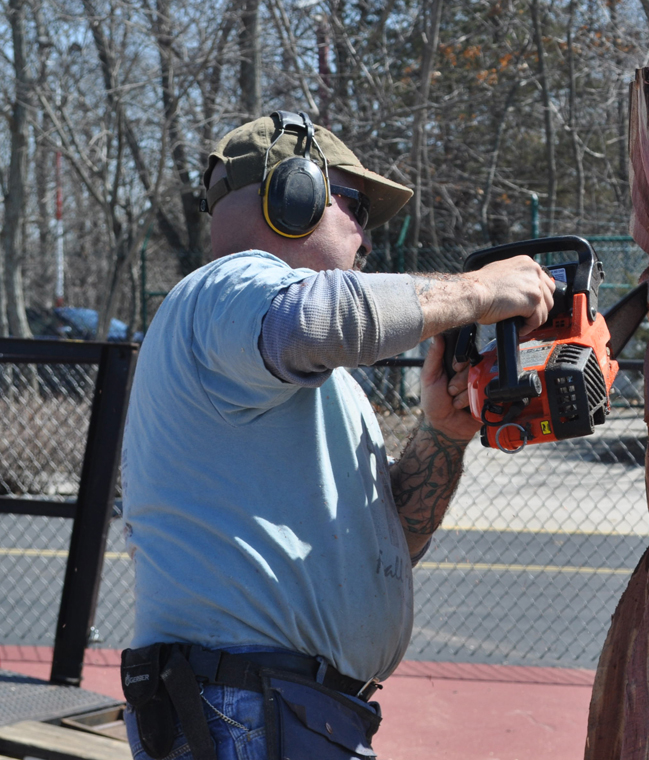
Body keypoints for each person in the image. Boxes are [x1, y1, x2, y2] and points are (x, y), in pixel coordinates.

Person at [119, 111, 555, 760]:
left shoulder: (295, 372)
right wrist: (481, 290)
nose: (367, 239)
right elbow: (318, 321)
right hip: (244, 712)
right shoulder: (222, 289)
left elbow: (382, 547)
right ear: (293, 195)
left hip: (283, 714)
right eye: (355, 207)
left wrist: (441, 435)